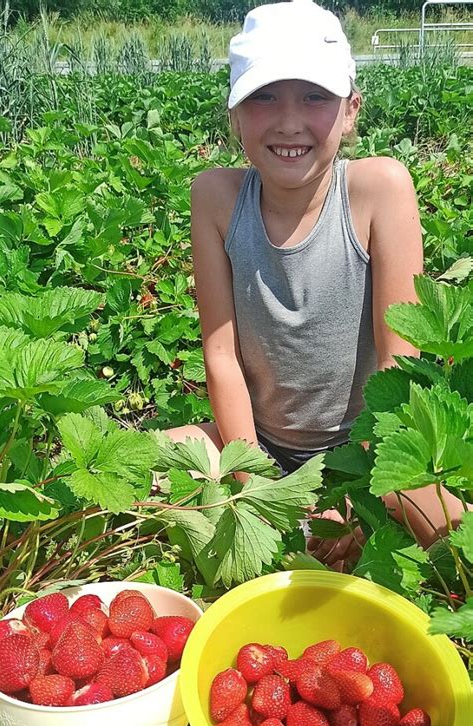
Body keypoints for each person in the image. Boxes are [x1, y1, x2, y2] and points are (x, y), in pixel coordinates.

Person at [166, 0, 469, 560]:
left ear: (351, 110)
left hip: (369, 449)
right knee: (150, 467)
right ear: (233, 115)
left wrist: (356, 494)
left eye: (314, 96)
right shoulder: (215, 197)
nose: (288, 121)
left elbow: (397, 363)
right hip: (261, 445)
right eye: (262, 97)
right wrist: (253, 486)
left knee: (449, 524)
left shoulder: (379, 189)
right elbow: (221, 356)